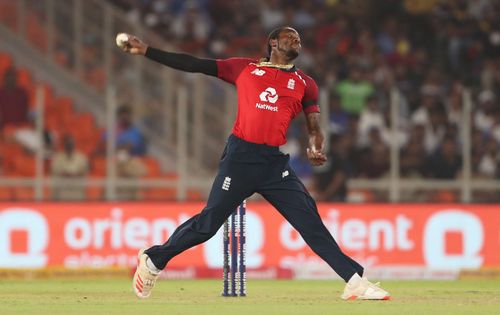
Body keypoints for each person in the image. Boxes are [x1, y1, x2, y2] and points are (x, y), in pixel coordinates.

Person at [119, 26, 390, 301]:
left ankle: (354, 281)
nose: (297, 40)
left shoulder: (306, 84)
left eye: (299, 38)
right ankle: (153, 260)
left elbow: (314, 127)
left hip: (273, 163)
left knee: (309, 221)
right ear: (273, 42)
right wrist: (147, 51)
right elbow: (194, 64)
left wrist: (315, 145)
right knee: (208, 224)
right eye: (290, 36)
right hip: (240, 158)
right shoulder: (244, 68)